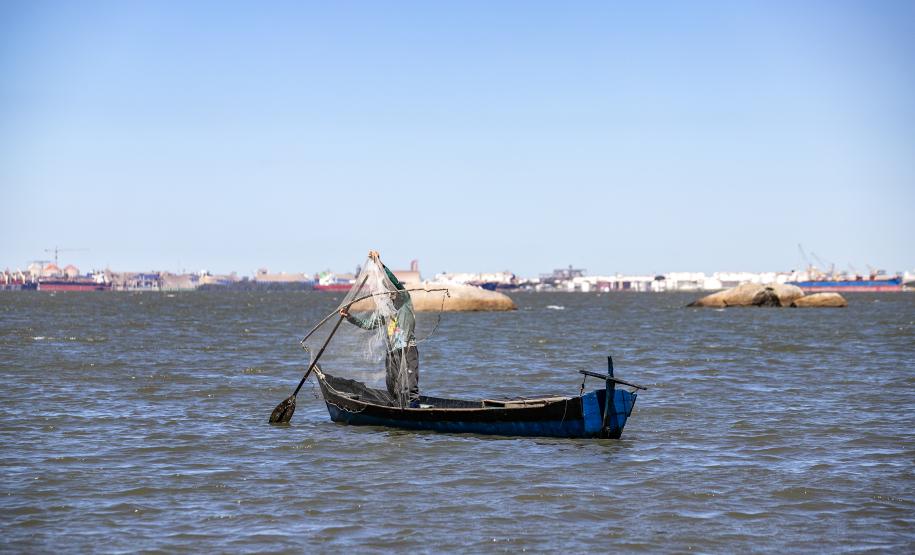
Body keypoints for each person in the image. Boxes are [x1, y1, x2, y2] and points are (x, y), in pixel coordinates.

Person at [339, 250, 419, 407]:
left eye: (389, 290)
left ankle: (414, 408)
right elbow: (369, 325)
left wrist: (379, 264)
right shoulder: (385, 311)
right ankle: (397, 408)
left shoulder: (404, 300)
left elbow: (393, 281)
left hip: (407, 348)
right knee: (393, 386)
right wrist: (348, 317)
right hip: (392, 351)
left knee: (410, 385)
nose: (387, 293)